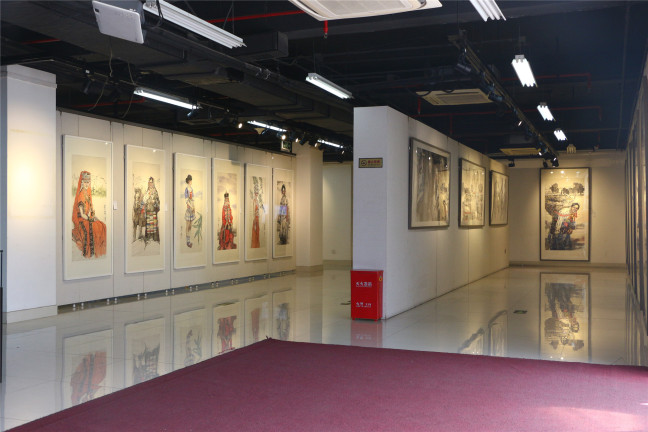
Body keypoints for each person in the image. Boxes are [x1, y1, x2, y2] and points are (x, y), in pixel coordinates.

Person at [72, 170, 107, 258]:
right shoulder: (81, 195)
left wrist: (94, 217)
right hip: (82, 220)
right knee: (96, 228)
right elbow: (82, 215)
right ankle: (91, 252)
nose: (87, 184)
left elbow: (90, 209)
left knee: (102, 225)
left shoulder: (87, 193)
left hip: (88, 218)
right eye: (85, 182)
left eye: (88, 182)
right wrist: (91, 219)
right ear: (82, 182)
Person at [143, 176, 160, 242]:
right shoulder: (147, 191)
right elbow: (144, 200)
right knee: (148, 224)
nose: (150, 184)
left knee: (154, 224)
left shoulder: (155, 191)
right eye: (149, 182)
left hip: (153, 210)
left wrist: (154, 202)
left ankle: (154, 238)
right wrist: (147, 198)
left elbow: (158, 201)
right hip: (148, 210)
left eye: (151, 182)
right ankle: (148, 238)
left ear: (153, 183)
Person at [184, 174, 195, 248]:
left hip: (192, 208)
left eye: (191, 180)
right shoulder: (186, 189)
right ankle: (187, 241)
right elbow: (186, 201)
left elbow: (193, 199)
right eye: (190, 180)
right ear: (188, 181)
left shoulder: (191, 189)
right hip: (188, 208)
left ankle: (189, 240)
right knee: (187, 225)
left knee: (190, 225)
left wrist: (194, 207)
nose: (191, 181)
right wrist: (191, 206)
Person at [251, 181, 261, 248]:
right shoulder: (254, 200)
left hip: (257, 218)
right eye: (255, 192)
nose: (256, 194)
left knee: (257, 230)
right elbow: (253, 210)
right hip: (255, 218)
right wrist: (254, 218)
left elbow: (258, 210)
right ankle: (254, 244)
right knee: (255, 230)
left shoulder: (257, 200)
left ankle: (257, 243)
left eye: (257, 192)